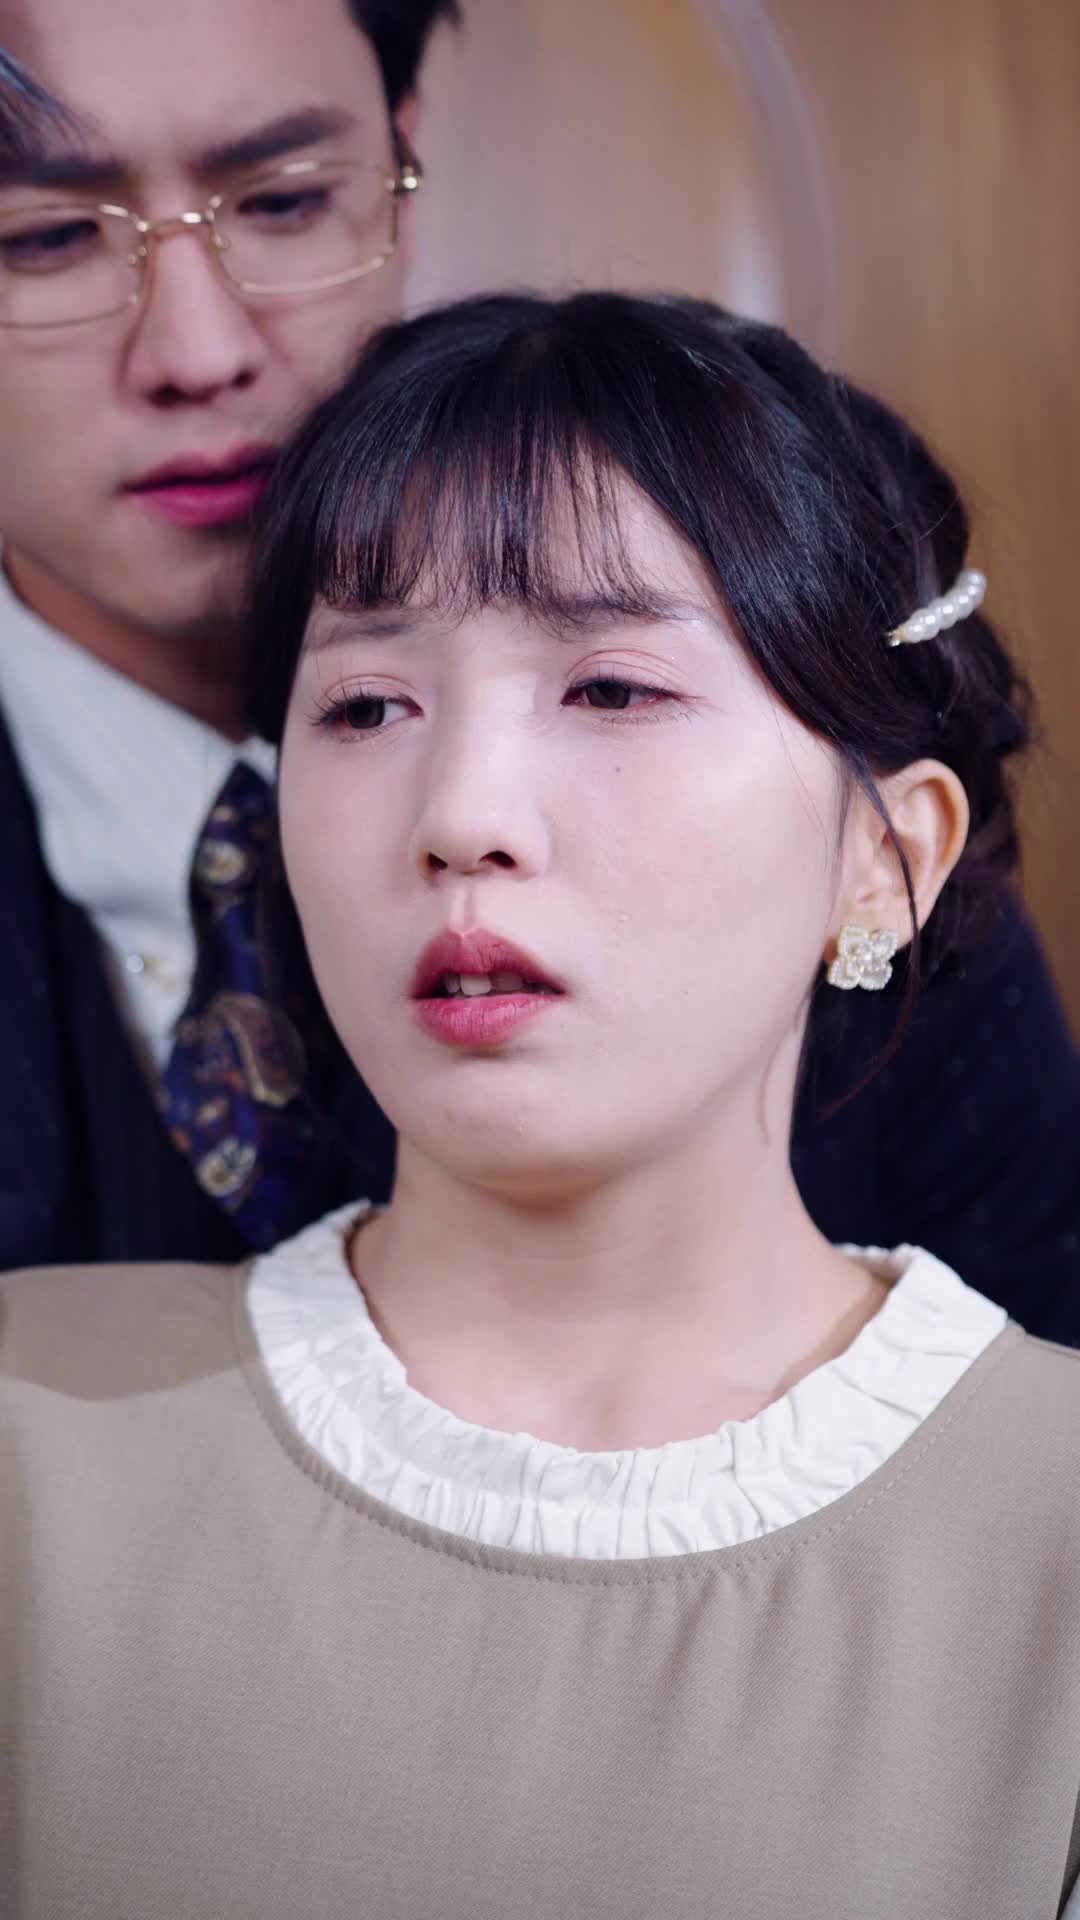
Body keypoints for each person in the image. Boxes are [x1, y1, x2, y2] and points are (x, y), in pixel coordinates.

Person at [3, 290, 1080, 1919]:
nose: (463, 814)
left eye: (612, 690)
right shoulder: (33, 1421)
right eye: (366, 707)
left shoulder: (1045, 1530)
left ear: (887, 855)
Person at [1, 9, 1079, 1339]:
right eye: (44, 236)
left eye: (281, 201)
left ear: (402, 171)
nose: (197, 351)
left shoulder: (838, 851)